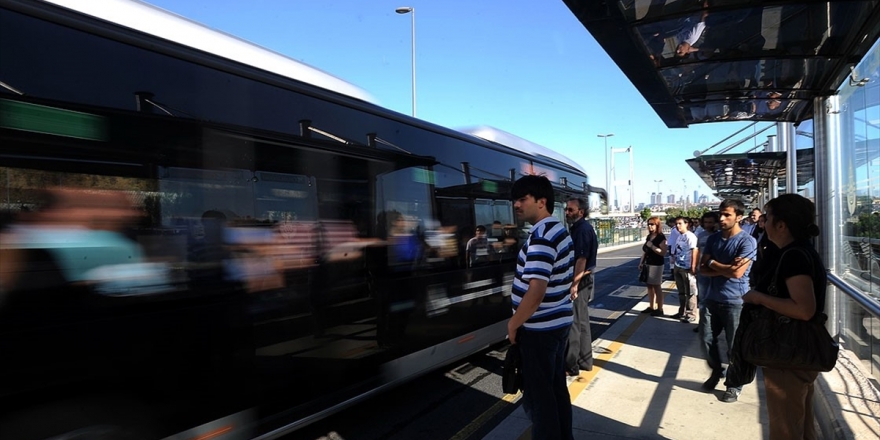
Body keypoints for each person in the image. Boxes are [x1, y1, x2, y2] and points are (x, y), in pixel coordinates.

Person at [741, 194, 827, 440]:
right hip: (799, 351)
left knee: (785, 428)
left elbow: (804, 309)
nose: (763, 223)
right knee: (801, 424)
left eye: (767, 218)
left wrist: (759, 298)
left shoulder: (793, 256)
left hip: (788, 351)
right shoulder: (800, 251)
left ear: (781, 225)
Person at [507, 175, 574, 440]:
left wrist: (513, 324)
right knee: (556, 391)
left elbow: (536, 290)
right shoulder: (559, 230)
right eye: (515, 200)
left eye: (522, 199)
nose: (516, 205)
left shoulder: (542, 237)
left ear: (541, 202)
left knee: (539, 399)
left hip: (539, 330)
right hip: (557, 325)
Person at [697, 198, 757, 403]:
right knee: (706, 339)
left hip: (735, 301)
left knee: (734, 346)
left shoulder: (747, 241)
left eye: (727, 215)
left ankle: (734, 385)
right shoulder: (713, 239)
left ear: (738, 217)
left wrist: (713, 264)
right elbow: (702, 268)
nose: (721, 219)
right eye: (720, 214)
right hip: (711, 298)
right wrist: (725, 267)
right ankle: (716, 371)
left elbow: (738, 273)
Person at [563, 197, 598, 376]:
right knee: (582, 322)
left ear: (581, 212)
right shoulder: (581, 228)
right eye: (566, 209)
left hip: (580, 280)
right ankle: (585, 361)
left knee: (575, 323)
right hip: (584, 280)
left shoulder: (582, 230)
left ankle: (571, 365)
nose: (567, 212)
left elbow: (581, 259)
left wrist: (574, 284)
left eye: (570, 210)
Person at [694, 211, 719, 332]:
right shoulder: (701, 235)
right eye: (706, 222)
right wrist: (695, 265)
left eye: (711, 222)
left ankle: (715, 324)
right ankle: (703, 324)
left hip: (717, 271)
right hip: (703, 271)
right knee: (703, 299)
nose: (708, 225)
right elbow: (698, 251)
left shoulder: (720, 235)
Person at [671, 216, 699, 323]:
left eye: (680, 223)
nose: (678, 226)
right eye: (676, 224)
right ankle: (681, 312)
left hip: (687, 268)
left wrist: (693, 266)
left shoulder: (690, 236)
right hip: (678, 266)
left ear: (687, 224)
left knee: (690, 292)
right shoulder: (680, 236)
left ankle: (691, 314)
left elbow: (694, 250)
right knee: (681, 292)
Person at [638, 216, 667, 317]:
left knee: (656, 286)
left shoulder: (661, 237)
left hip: (657, 264)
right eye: (649, 224)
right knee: (649, 286)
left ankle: (660, 308)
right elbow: (645, 251)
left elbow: (663, 252)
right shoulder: (649, 237)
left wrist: (652, 246)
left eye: (652, 224)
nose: (650, 226)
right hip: (648, 263)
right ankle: (651, 306)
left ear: (657, 225)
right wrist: (641, 262)